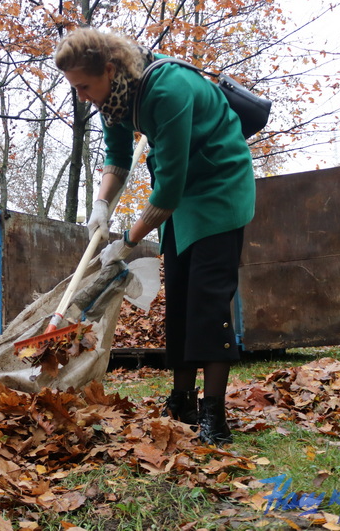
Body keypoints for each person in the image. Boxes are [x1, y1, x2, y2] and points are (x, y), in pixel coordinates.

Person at [54, 28, 255, 446]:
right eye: (74, 87)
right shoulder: (113, 98)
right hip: (182, 199)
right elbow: (117, 155)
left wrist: (126, 241)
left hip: (219, 189)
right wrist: (100, 205)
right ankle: (182, 399)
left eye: (84, 86)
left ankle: (214, 417)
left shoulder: (167, 89)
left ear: (109, 69)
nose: (81, 96)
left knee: (208, 301)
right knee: (180, 301)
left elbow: (167, 191)